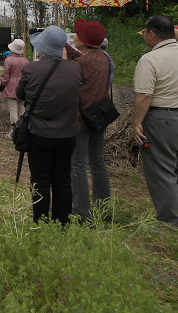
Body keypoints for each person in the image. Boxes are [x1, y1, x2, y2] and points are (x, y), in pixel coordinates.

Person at [133, 16, 178, 229]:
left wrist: (137, 123)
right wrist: (173, 31)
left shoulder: (150, 59)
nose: (144, 34)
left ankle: (170, 222)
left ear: (152, 33)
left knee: (162, 172)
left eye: (145, 31)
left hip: (163, 119)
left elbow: (144, 96)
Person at [17, 25, 82, 224]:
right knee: (63, 179)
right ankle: (62, 222)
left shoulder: (31, 68)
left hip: (39, 132)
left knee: (40, 179)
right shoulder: (75, 68)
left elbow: (20, 95)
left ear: (42, 48)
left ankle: (41, 221)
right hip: (68, 133)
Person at [63, 19, 113, 222]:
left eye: (76, 34)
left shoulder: (81, 63)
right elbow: (82, 59)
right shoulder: (104, 57)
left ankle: (81, 212)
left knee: (77, 164)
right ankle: (103, 209)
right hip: (99, 115)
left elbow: (72, 71)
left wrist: (65, 57)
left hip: (81, 117)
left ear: (83, 40)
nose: (74, 35)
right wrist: (64, 43)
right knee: (98, 162)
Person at [0, 38, 29, 127]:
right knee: (22, 109)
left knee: (13, 110)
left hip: (11, 87)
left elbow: (5, 76)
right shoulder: (26, 60)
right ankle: (23, 128)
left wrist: (1, 88)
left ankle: (15, 130)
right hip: (23, 87)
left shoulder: (9, 60)